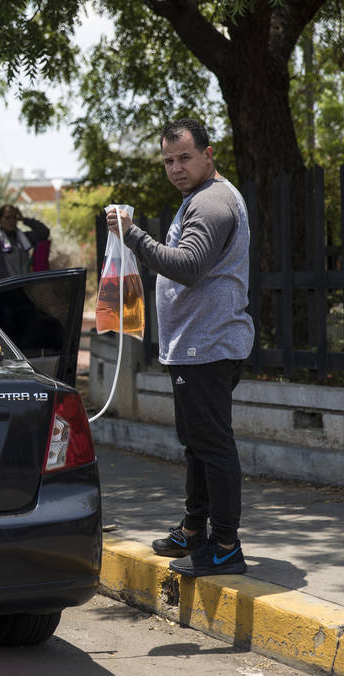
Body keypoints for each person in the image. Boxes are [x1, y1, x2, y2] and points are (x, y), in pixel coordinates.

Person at [106, 118, 255, 577]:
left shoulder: (212, 202)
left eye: (184, 157)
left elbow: (188, 266)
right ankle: (194, 530)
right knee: (196, 444)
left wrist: (133, 235)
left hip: (207, 346)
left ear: (209, 154)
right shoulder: (198, 198)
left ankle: (226, 545)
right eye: (169, 160)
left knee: (212, 446)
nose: (175, 168)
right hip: (194, 345)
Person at [0, 204, 50, 280]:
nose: (11, 221)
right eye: (7, 218)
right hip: (4, 288)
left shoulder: (24, 238)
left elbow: (44, 232)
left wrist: (23, 219)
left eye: (14, 217)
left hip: (24, 287)